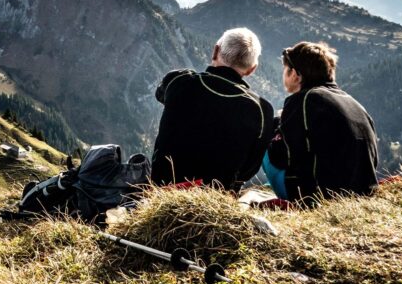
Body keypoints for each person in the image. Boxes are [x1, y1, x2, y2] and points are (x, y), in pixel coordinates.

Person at [151, 27, 275, 191]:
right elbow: (249, 169)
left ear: (215, 51)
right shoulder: (262, 110)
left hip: (161, 191)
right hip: (216, 197)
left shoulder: (179, 81)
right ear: (252, 69)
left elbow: (161, 94)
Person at [264, 42, 378, 202]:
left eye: (285, 69)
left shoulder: (304, 100)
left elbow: (281, 156)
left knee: (265, 129)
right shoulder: (354, 103)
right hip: (362, 196)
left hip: (319, 198)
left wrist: (278, 129)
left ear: (295, 74)